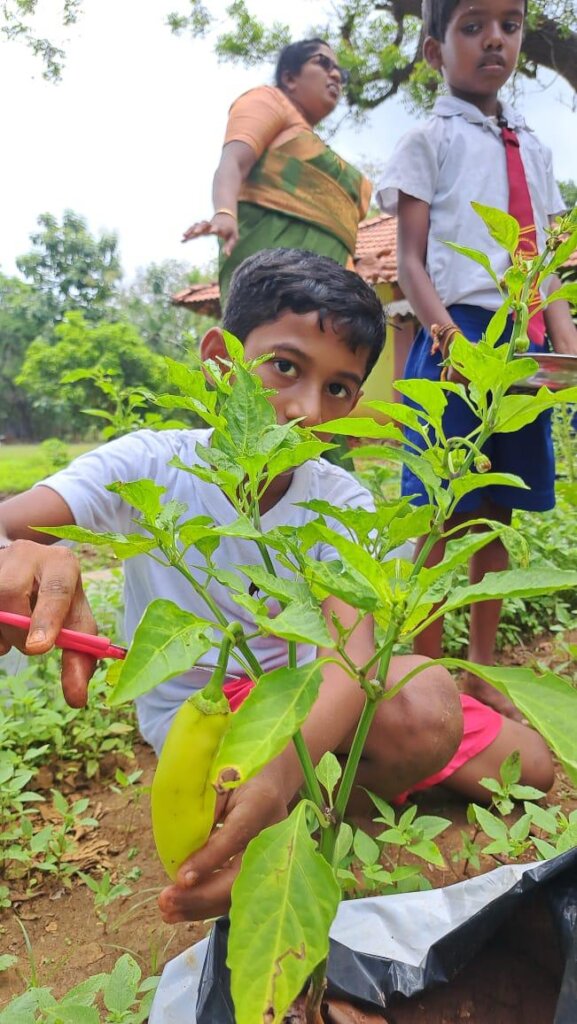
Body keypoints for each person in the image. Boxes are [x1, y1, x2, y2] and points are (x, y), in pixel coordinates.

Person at [0, 250, 552, 924]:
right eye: (284, 367)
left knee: (529, 768)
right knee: (425, 706)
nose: (305, 410)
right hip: (210, 711)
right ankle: (298, 812)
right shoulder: (150, 462)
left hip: (317, 696)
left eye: (340, 388)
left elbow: (350, 655)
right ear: (220, 358)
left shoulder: (336, 496)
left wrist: (283, 771)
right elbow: (8, 527)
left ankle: (304, 791)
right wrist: (27, 551)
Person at [377, 0, 577, 719]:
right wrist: (443, 334)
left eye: (509, 25)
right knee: (441, 510)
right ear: (434, 52)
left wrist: (565, 346)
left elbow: (545, 263)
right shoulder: (425, 141)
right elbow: (408, 257)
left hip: (520, 344)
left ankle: (483, 670)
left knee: (498, 512)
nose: (494, 39)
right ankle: (426, 667)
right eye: (472, 26)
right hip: (455, 338)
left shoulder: (537, 149)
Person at [182, 38, 386, 300]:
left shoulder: (313, 146)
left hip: (327, 300)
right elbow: (233, 161)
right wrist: (224, 212)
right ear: (289, 77)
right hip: (271, 283)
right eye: (322, 63)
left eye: (341, 72)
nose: (335, 74)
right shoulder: (269, 100)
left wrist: (353, 270)